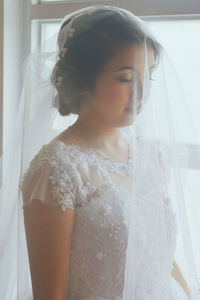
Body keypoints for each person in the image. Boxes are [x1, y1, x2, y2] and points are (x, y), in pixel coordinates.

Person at [1, 5, 200, 300]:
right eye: (126, 78)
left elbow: (161, 259)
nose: (142, 92)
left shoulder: (152, 157)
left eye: (149, 77)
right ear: (83, 80)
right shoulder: (56, 169)